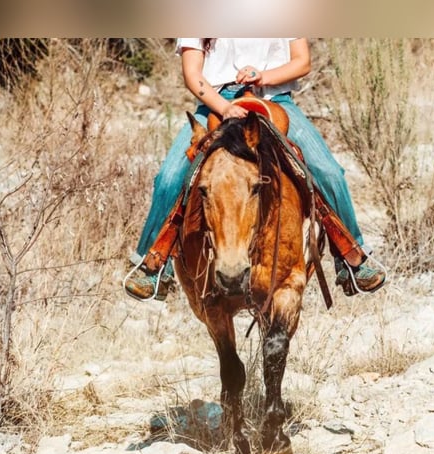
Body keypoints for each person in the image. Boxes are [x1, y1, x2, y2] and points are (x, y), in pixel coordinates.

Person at [124, 38, 386, 301]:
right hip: (216, 102)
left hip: (276, 101)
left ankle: (352, 257)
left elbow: (302, 62)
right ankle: (153, 264)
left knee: (329, 172)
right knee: (169, 178)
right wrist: (225, 107)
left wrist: (263, 76)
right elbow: (192, 73)